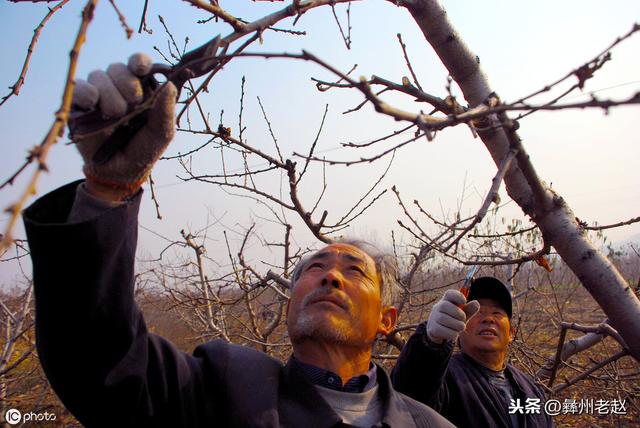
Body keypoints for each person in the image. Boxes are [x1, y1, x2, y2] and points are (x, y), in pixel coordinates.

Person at [23, 54, 453, 428]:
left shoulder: (429, 423)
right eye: (315, 268)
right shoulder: (220, 387)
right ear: (289, 305)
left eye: (354, 270)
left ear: (387, 319)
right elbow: (101, 361)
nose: (330, 279)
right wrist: (107, 192)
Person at [391, 277, 553, 427]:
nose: (488, 319)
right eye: (478, 312)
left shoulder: (531, 389)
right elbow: (406, 399)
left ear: (511, 333)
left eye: (497, 313)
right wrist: (429, 342)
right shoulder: (445, 379)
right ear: (459, 327)